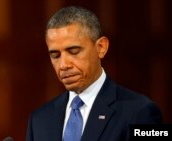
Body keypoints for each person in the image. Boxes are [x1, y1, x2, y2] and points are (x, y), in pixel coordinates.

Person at [26, 6, 162, 141]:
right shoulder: (39, 120)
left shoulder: (140, 111)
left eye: (74, 51)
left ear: (101, 47)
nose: (63, 65)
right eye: (55, 55)